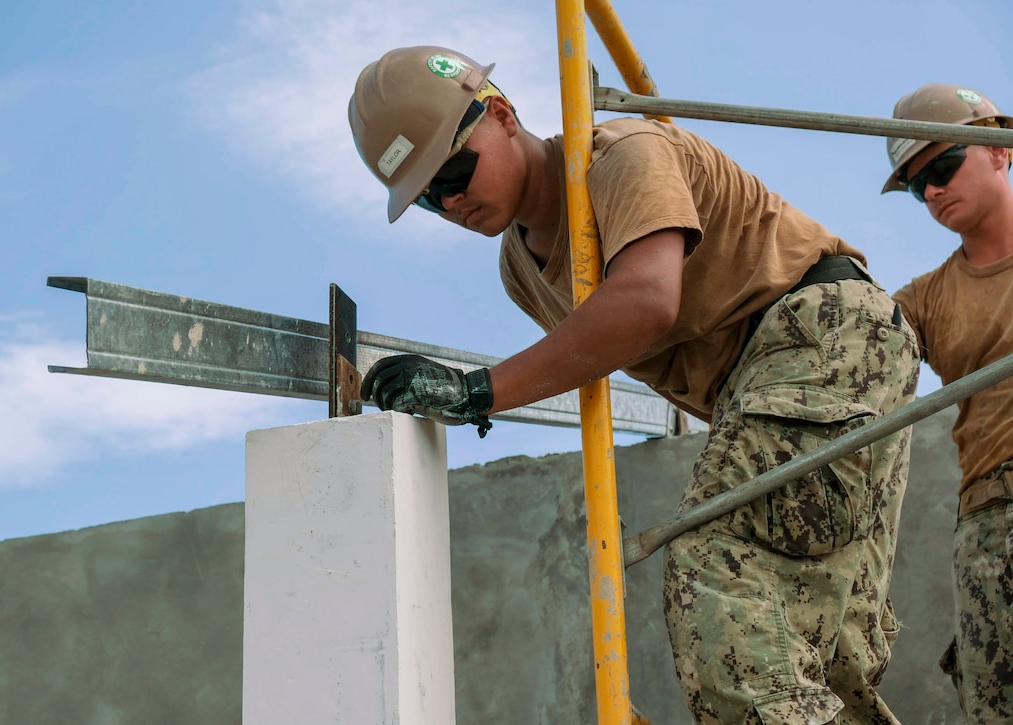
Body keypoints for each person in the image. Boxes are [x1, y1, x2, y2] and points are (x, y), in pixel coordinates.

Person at [349, 45, 920, 722]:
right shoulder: (517, 269)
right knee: (821, 634)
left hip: (822, 334)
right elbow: (592, 344)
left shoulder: (618, 153)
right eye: (427, 200)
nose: (452, 203)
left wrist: (478, 390)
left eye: (454, 171)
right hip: (771, 381)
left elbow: (647, 299)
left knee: (718, 564)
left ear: (500, 114)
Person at [880, 83, 1013, 722]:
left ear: (999, 150)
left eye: (941, 166)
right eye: (915, 185)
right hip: (993, 517)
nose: (931, 191)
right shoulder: (922, 302)